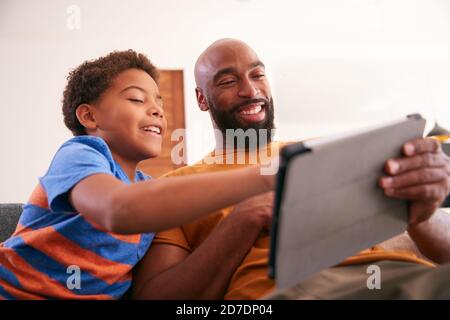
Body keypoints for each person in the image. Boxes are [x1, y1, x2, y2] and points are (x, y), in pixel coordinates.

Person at [132, 39, 450, 300]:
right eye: (229, 81)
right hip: (293, 290)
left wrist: (421, 211)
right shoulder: (175, 187)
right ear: (202, 99)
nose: (249, 89)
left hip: (404, 277)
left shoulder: (332, 150)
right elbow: (155, 296)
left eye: (257, 75)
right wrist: (244, 218)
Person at [0, 50, 275, 300]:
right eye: (136, 99)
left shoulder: (149, 189)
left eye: (159, 103)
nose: (156, 110)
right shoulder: (81, 154)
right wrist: (263, 178)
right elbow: (119, 208)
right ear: (89, 117)